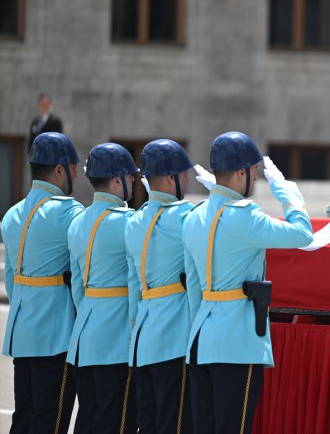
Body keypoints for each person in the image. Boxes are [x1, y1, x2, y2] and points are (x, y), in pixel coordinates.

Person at [183, 131, 313, 433]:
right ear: (241, 172)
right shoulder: (246, 216)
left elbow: (193, 289)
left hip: (200, 339)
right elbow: (302, 233)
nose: (255, 180)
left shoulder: (194, 217)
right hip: (236, 342)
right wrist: (288, 193)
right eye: (253, 173)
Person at [1, 132, 82, 433]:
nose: (76, 173)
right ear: (59, 170)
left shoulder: (11, 216)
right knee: (52, 422)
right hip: (56, 335)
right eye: (73, 166)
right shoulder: (69, 213)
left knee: (23, 417)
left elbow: (11, 280)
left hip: (22, 333)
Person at [66, 143, 138, 433]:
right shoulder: (130, 222)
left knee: (88, 417)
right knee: (116, 421)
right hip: (116, 338)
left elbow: (76, 288)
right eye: (131, 176)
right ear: (117, 180)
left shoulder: (76, 223)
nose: (133, 181)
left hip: (85, 335)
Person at [126, 139, 195, 433]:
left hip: (142, 337)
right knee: (174, 423)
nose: (188, 179)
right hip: (174, 336)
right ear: (171, 178)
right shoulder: (186, 216)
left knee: (148, 423)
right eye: (184, 174)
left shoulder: (133, 222)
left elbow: (133, 288)